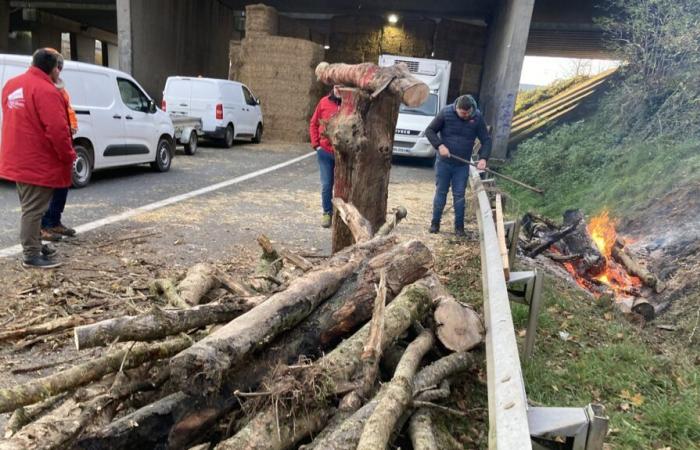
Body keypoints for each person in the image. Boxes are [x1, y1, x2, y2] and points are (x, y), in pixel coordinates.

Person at [0, 48, 76, 268]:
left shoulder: (12, 85)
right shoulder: (46, 90)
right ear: (53, 69)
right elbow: (57, 130)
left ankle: (35, 243)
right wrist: (68, 156)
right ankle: (31, 254)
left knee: (31, 206)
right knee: (34, 210)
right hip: (37, 160)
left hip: (17, 157)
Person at [425, 94, 491, 237]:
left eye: (467, 113)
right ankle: (435, 224)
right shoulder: (446, 113)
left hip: (462, 165)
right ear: (457, 108)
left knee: (459, 195)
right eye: (462, 113)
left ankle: (459, 228)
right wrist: (439, 145)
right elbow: (429, 131)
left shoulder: (477, 117)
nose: (465, 116)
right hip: (444, 163)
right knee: (441, 192)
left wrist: (483, 158)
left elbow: (486, 140)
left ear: (471, 109)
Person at [41, 77, 78, 241]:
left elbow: (69, 111)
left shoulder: (61, 91)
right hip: (50, 146)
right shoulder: (44, 91)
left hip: (64, 141)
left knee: (62, 186)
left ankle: (54, 221)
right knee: (49, 188)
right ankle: (45, 225)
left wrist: (72, 125)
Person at [309, 85, 341, 228]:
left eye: (342, 87)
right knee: (327, 184)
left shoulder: (351, 104)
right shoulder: (324, 102)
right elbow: (313, 123)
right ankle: (327, 213)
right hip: (325, 151)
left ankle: (341, 215)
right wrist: (317, 145)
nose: (339, 89)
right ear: (333, 87)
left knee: (342, 187)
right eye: (337, 86)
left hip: (344, 154)